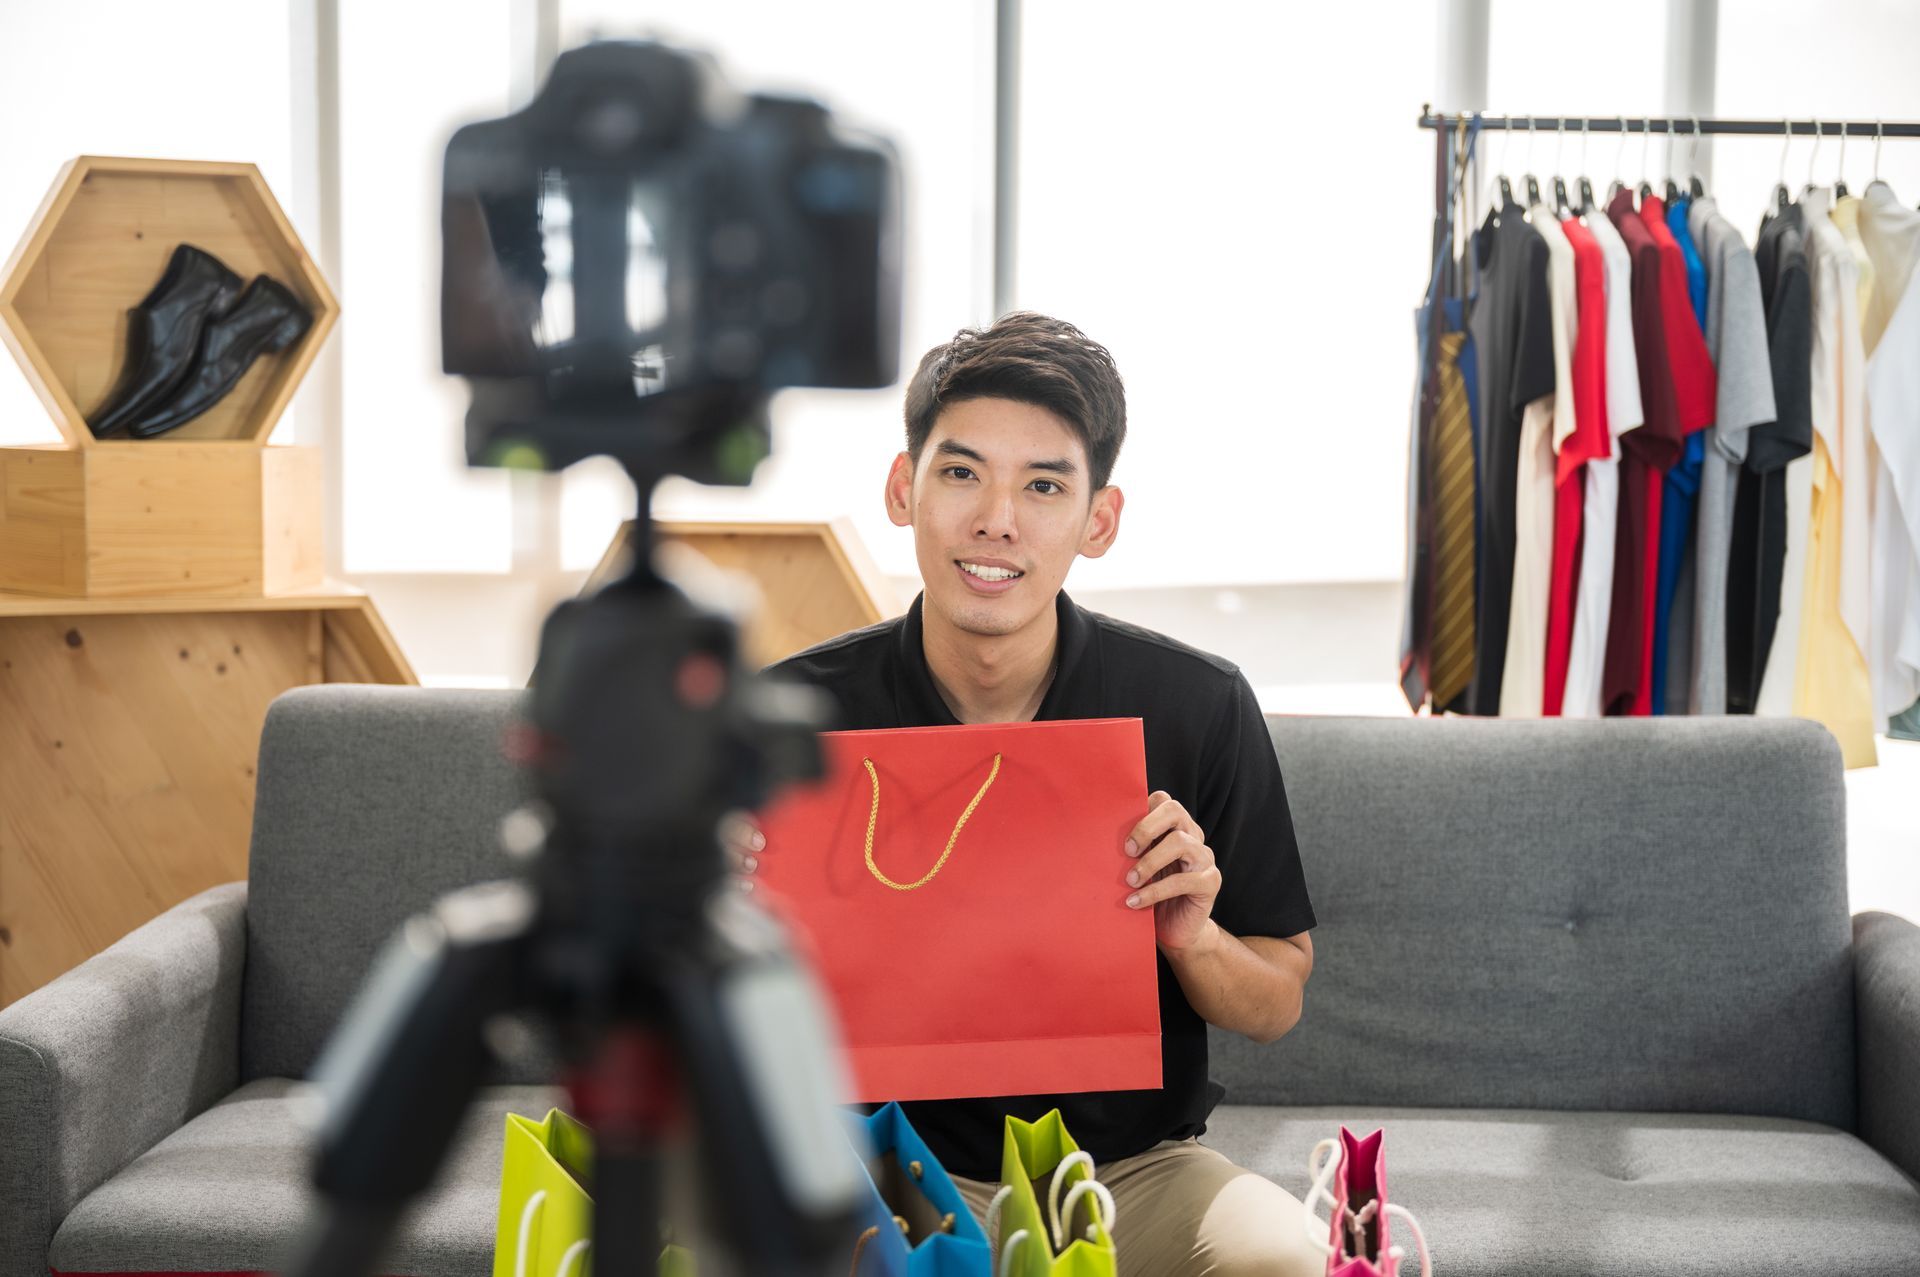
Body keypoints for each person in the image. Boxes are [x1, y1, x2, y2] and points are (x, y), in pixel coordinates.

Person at [728, 311, 1322, 1276]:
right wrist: (718, 913)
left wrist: (1193, 937)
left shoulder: (1197, 704)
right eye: (960, 472)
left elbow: (1276, 1002)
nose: (996, 519)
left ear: (1100, 519)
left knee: (1287, 1255)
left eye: (1043, 485)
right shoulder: (789, 714)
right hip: (883, 1171)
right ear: (902, 488)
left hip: (1135, 1175)